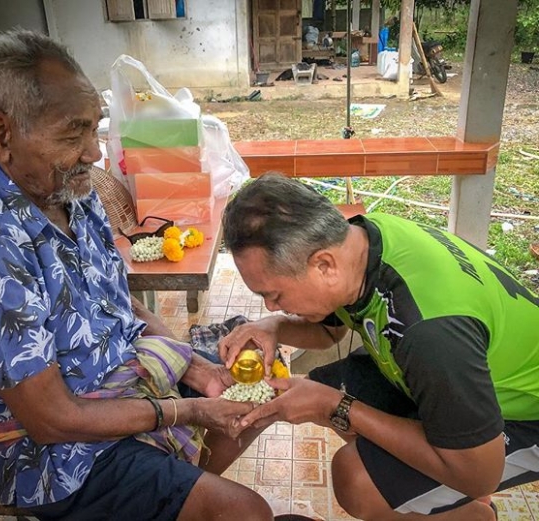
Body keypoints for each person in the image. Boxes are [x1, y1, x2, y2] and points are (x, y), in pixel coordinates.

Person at [0, 29, 275, 521]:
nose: (93, 153)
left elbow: (117, 304)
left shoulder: (67, 192)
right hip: (50, 455)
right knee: (242, 513)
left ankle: (174, 494)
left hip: (119, 387)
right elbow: (53, 420)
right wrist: (186, 409)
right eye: (72, 133)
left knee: (252, 395)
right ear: (2, 135)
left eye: (94, 129)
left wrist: (191, 365)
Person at [219, 173, 539, 521]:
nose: (269, 306)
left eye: (274, 295)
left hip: (525, 414)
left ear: (324, 265)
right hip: (468, 375)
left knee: (357, 478)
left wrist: (336, 406)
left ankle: (469, 516)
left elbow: (479, 475)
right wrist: (273, 327)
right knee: (327, 388)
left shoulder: (429, 334)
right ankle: (456, 505)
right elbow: (329, 334)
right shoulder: (360, 241)